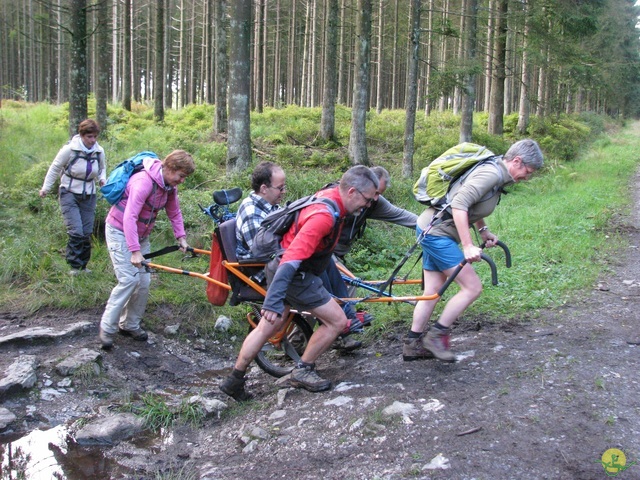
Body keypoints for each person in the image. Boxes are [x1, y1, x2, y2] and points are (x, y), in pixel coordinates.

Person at [220, 165, 379, 401]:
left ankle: (234, 380)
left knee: (266, 327)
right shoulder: (323, 216)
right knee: (337, 321)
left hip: (284, 270)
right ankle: (303, 370)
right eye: (367, 200)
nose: (368, 205)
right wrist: (273, 300)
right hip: (294, 275)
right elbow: (291, 260)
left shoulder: (331, 194)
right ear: (352, 191)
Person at [404, 139, 544, 362]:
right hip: (437, 234)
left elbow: (474, 204)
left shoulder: (496, 173)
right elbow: (460, 204)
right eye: (528, 171)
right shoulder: (491, 173)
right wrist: (468, 245)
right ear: (517, 161)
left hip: (431, 228)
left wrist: (484, 231)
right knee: (472, 287)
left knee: (433, 289)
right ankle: (436, 336)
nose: (527, 177)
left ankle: (412, 343)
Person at [99, 150, 195, 350]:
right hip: (119, 230)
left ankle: (130, 324)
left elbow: (174, 212)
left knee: (144, 281)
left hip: (141, 234)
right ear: (170, 168)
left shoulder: (169, 187)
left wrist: (181, 238)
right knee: (128, 279)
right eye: (181, 175)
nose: (182, 180)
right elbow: (129, 217)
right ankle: (107, 329)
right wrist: (134, 251)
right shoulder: (143, 182)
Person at [321, 166, 419, 349]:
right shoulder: (336, 198)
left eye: (378, 194)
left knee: (336, 291)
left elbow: (400, 215)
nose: (374, 200)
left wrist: (429, 225)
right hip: (323, 251)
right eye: (373, 194)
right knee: (344, 285)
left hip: (337, 252)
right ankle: (342, 334)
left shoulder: (372, 202)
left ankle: (325, 335)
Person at [39, 119, 106, 275]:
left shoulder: (99, 151)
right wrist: (46, 188)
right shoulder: (70, 150)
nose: (93, 140)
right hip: (69, 193)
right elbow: (55, 168)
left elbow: (102, 169)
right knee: (76, 230)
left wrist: (103, 180)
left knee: (87, 231)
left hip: (89, 194)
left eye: (95, 136)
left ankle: (83, 266)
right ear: (82, 135)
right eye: (90, 136)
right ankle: (75, 267)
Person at [235, 161, 286, 262]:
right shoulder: (252, 214)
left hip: (277, 259)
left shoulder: (271, 205)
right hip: (261, 269)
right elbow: (263, 252)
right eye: (280, 188)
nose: (284, 191)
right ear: (264, 189)